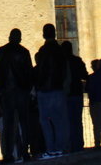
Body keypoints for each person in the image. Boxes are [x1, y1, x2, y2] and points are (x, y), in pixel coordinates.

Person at [0, 29, 32, 164]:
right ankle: (25, 151)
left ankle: (8, 153)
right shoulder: (23, 52)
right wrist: (26, 89)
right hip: (20, 92)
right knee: (23, 123)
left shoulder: (0, 52)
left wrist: (0, 89)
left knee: (8, 124)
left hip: (7, 92)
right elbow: (28, 73)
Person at [32, 25, 67, 155]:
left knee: (45, 121)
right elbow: (63, 70)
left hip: (45, 90)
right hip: (57, 89)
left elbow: (40, 71)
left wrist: (39, 86)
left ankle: (50, 148)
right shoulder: (59, 50)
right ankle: (59, 147)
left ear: (44, 35)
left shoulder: (43, 51)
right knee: (58, 120)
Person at [60, 42, 87, 152]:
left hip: (65, 95)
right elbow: (84, 75)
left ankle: (69, 144)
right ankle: (79, 144)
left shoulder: (60, 62)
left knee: (66, 121)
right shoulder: (77, 61)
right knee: (77, 120)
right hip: (77, 94)